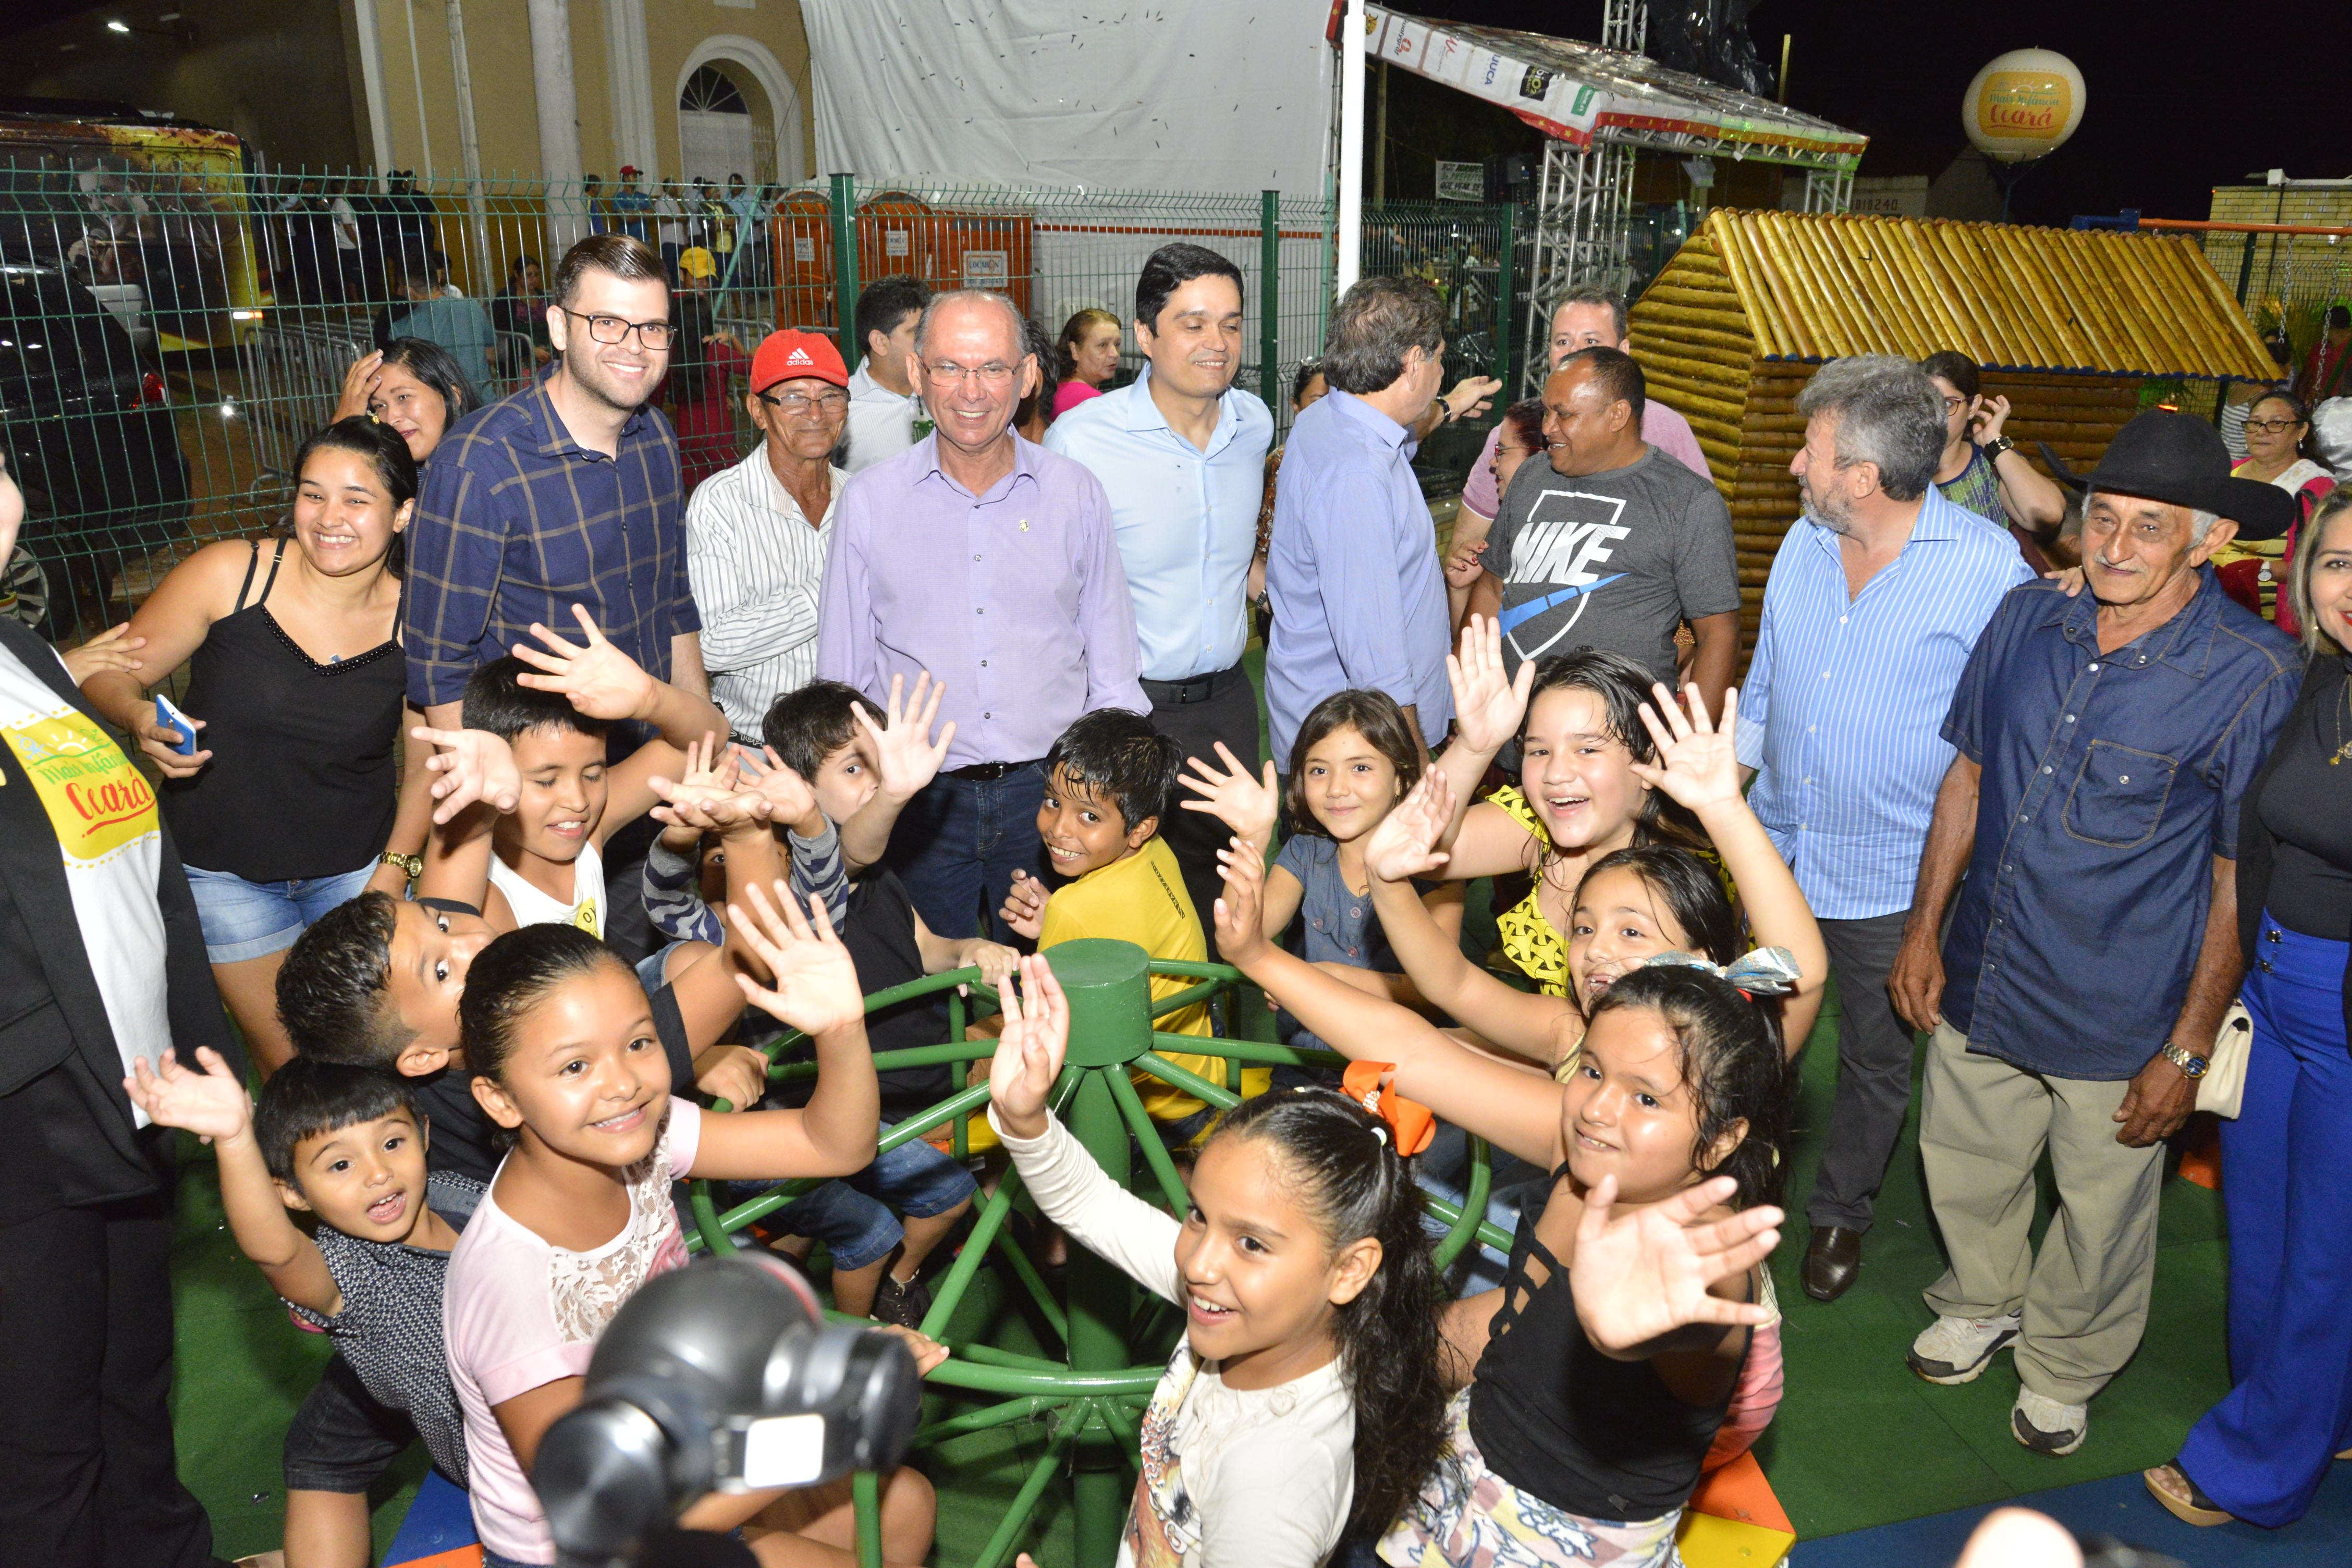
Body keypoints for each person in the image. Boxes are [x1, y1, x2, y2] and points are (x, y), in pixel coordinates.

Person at [1888, 411, 2301, 1457]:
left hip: (2122, 1002)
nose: (2113, 546)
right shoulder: (2026, 616)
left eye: (2148, 526)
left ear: (2210, 540)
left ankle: (2066, 1362)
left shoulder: (2255, 673)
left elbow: (2236, 874)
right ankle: (1982, 1298)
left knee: (2102, 1208)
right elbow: (1967, 777)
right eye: (2101, 518)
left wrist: (2188, 1045)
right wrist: (1924, 931)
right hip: (1985, 966)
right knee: (1967, 1161)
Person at [1211, 841, 1790, 1565]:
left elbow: (1694, 1318)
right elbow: (1413, 1052)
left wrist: (1639, 1332)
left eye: (1647, 1098)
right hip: (1471, 1467)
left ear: (1720, 1141)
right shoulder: (1579, 1145)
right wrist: (1258, 956)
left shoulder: (1705, 1243)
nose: (1599, 1108)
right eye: (1592, 1072)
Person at [442, 905, 939, 1567]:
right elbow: (614, 1517)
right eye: (575, 1066)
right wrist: (826, 1421)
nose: (623, 1082)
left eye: (639, 1042)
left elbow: (833, 1144)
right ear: (500, 1099)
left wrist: (842, 1030)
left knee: (906, 1504)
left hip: (680, 1450)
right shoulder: (513, 1285)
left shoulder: (638, 1132)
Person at [984, 956, 1451, 1566]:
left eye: (1252, 1242)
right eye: (1198, 1214)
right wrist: (1023, 1117)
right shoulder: (1248, 1310)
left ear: (1349, 1270)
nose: (1199, 1263)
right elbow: (1095, 1206)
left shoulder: (1277, 1478)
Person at [1736, 355, 2034, 1304]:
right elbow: (1766, 685)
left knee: (1873, 1056)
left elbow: (1998, 743)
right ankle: (1736, 1184)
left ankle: (1840, 1212)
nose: (1796, 466)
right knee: (1749, 1028)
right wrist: (1720, 810)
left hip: (1888, 879)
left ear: (1863, 475)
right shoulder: (1803, 542)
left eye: (1811, 452)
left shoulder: (1988, 570)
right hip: (1776, 858)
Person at [0, 449, 235, 1568]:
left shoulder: (19, 652)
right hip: (27, 1126)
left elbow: (131, 864)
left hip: (128, 1093)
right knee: (39, 1438)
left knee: (132, 1385)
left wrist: (194, 1045)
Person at [80, 418, 436, 1073]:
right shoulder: (231, 574)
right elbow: (108, 670)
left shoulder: (419, 617)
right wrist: (137, 716)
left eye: (357, 499)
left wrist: (391, 875)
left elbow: (423, 771)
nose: (329, 517)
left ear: (403, 513)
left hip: (356, 870)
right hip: (223, 877)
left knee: (380, 1054)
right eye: (313, 493)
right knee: (292, 1065)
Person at [405, 232, 704, 963]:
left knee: (634, 981)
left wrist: (696, 745)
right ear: (559, 328)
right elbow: (436, 665)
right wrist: (499, 814)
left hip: (645, 778)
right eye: (608, 323)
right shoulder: (479, 466)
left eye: (653, 327)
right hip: (537, 812)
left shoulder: (656, 440)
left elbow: (673, 601)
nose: (635, 346)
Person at [815, 288, 1147, 941]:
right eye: (950, 367)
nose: (972, 391)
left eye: (993, 367)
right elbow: (844, 674)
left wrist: (1103, 796)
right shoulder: (870, 502)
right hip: (915, 801)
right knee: (924, 987)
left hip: (1052, 797)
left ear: (1028, 377)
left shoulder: (1075, 494)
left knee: (1052, 977)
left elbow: (1113, 663)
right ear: (917, 373)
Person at [2148, 488, 2352, 1528]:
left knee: (2326, 1250)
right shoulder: (2314, 677)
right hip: (2269, 993)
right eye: (2339, 561)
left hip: (2346, 1015)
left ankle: (2257, 1462)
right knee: (2263, 1232)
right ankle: (2315, 1405)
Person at [127, 1054, 477, 1568]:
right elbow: (277, 1252)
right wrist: (235, 1139)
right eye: (340, 1164)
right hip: (507, 1460)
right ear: (292, 1193)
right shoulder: (352, 1275)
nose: (378, 1173)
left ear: (424, 1133)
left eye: (391, 1143)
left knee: (325, 1442)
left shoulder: (469, 1197)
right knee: (323, 1448)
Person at [1045, 243, 1275, 941]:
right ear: (1145, 335)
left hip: (1228, 705)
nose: (1217, 343)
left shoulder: (1254, 424)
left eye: (1231, 324)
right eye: (1193, 323)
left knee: (1223, 906)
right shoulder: (1082, 440)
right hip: (1128, 710)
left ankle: (1214, 1015)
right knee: (1116, 907)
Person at [997, 708, 1267, 1140]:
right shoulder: (1155, 848)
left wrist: (1062, 921)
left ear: (1140, 828)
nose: (1059, 828)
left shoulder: (1074, 907)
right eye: (1053, 802)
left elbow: (1048, 1033)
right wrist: (1057, 923)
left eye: (1089, 816)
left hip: (1138, 1105)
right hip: (1198, 1065)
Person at [1177, 689, 1464, 1079]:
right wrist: (1252, 837)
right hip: (1308, 1062)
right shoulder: (1305, 853)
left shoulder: (1439, 869)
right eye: (1319, 771)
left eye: (1360, 767)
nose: (1336, 789)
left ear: (1401, 778)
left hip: (1405, 1074)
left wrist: (1330, 978)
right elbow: (1244, 935)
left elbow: (1437, 991)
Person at [1464, 346, 1742, 718]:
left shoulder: (1688, 501)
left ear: (1617, 415)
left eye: (1564, 414)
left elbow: (1719, 635)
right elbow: (1491, 588)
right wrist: (1468, 692)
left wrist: (1690, 743)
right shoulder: (1531, 476)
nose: (1547, 427)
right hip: (1508, 726)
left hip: (1620, 740)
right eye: (1547, 411)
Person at [1264, 275, 1456, 768]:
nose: (1441, 372)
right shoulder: (1357, 477)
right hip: (1362, 749)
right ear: (1412, 364)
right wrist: (1413, 770)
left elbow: (1398, 443)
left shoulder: (1328, 417)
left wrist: (1449, 407)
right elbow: (1377, 664)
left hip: (1331, 732)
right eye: (1439, 358)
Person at [454, 617, 728, 938]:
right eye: (546, 781)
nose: (579, 800)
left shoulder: (587, 833)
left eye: (594, 775)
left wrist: (652, 698)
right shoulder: (485, 903)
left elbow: (706, 740)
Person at [1452, 285, 1713, 566]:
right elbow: (1464, 552)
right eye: (1562, 341)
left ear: (1623, 351)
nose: (1573, 353)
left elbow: (1704, 543)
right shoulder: (1514, 433)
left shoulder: (1665, 430)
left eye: (1591, 341)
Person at [686, 330, 852, 740]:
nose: (816, 413)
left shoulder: (862, 497)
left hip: (854, 744)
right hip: (757, 748)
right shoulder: (721, 503)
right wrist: (836, 587)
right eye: (794, 397)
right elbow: (714, 645)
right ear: (757, 411)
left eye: (830, 396)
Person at [1919, 351, 2069, 572]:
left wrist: (1994, 442)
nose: (1934, 416)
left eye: (1948, 404)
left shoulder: (1989, 468)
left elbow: (2047, 514)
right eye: (1925, 402)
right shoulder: (1894, 468)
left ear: (1973, 406)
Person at [2212, 389, 2336, 631]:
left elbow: (2318, 566)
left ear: (2301, 431)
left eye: (2276, 423)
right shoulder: (2228, 474)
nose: (2262, 431)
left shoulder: (2314, 488)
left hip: (2270, 620)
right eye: (2255, 423)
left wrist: (2255, 573)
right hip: (2210, 601)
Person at [1443, 397, 1545, 627]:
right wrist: (1460, 590)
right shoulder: (1502, 533)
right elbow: (1468, 640)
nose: (1492, 461)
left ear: (1539, 458)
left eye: (1502, 451)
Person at [333, 337, 482, 466]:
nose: (391, 419)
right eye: (380, 406)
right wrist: (343, 428)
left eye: (403, 397)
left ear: (454, 395)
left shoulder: (475, 467)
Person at [666, 286, 753, 496]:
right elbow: (751, 367)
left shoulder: (670, 355)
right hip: (718, 433)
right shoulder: (718, 352)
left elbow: (657, 398)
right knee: (728, 494)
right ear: (707, 322)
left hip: (685, 432)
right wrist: (732, 339)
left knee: (693, 496)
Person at [842, 276, 933, 474]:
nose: (930, 342)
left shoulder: (948, 393)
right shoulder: (840, 411)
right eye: (917, 332)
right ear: (880, 342)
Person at [376, 244, 497, 391]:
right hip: (480, 397)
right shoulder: (472, 307)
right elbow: (491, 355)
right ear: (438, 280)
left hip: (439, 401)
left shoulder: (401, 328)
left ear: (408, 290)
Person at [1051, 306, 1122, 419]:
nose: (1115, 354)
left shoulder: (1058, 388)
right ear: (1075, 350)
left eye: (1117, 344)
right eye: (1102, 345)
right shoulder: (1090, 401)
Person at [489, 255, 553, 372]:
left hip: (547, 357)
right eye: (529, 275)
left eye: (537, 275)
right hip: (518, 358)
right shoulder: (506, 298)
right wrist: (531, 349)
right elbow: (505, 332)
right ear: (517, 274)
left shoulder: (542, 296)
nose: (534, 279)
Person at [2295, 302, 2350, 406]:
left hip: (2342, 405)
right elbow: (2304, 380)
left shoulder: (2348, 348)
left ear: (2328, 326)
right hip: (2316, 404)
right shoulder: (2320, 347)